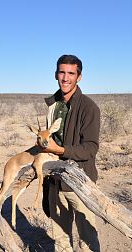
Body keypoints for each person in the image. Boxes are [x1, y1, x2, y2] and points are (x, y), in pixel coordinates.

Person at [42, 54, 101, 252]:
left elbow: (91, 148)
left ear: (79, 77)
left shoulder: (89, 108)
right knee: (60, 241)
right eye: (62, 72)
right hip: (55, 182)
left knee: (87, 241)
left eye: (71, 73)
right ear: (55, 74)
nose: (65, 78)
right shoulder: (53, 106)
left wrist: (60, 150)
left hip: (80, 183)